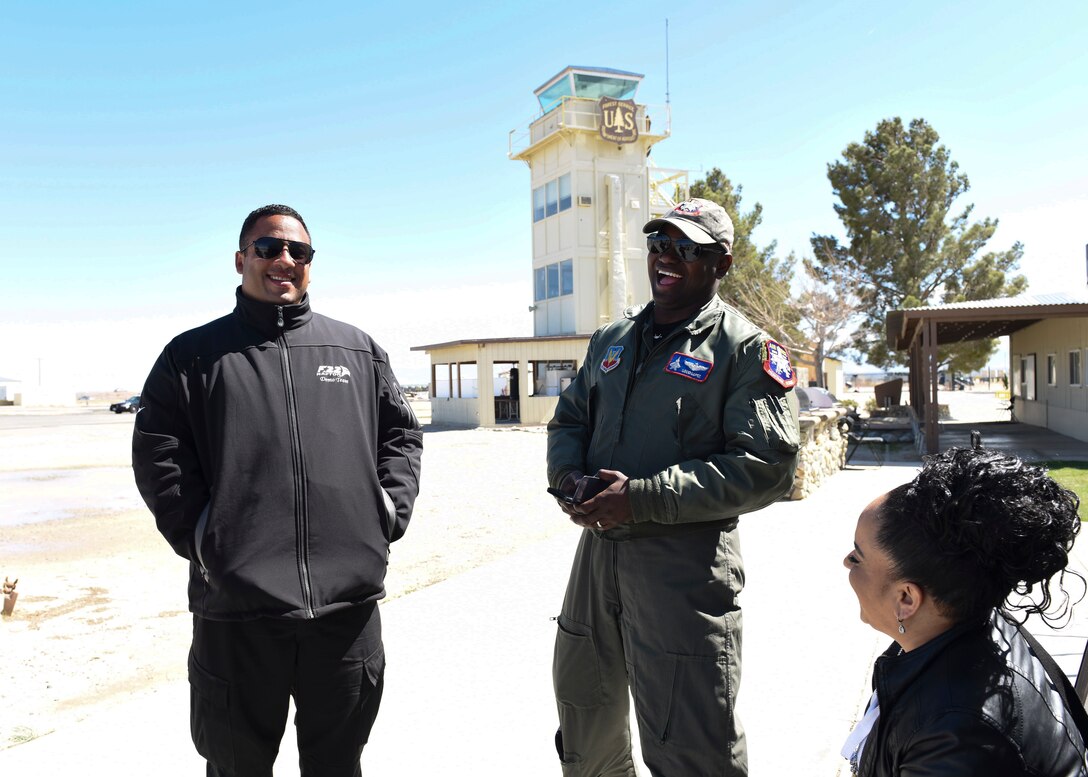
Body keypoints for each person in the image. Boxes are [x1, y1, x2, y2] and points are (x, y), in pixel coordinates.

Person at [132, 204, 423, 777]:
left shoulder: (356, 351)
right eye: (268, 248)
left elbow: (402, 435)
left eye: (299, 252)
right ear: (241, 260)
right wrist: (203, 537)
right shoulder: (190, 356)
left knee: (338, 764)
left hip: (346, 613)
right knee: (237, 766)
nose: (284, 260)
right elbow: (159, 453)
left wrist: (387, 510)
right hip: (236, 615)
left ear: (311, 264)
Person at [546, 198, 801, 776]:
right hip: (597, 559)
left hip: (683, 570)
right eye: (658, 244)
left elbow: (767, 465)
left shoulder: (743, 350)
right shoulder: (613, 339)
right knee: (586, 713)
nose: (665, 257)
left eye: (685, 248)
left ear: (721, 262)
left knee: (689, 739)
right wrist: (570, 481)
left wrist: (641, 497)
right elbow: (568, 422)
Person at [842, 445, 1088, 776]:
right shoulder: (962, 624)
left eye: (857, 557)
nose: (846, 562)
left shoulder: (958, 737)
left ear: (906, 599)